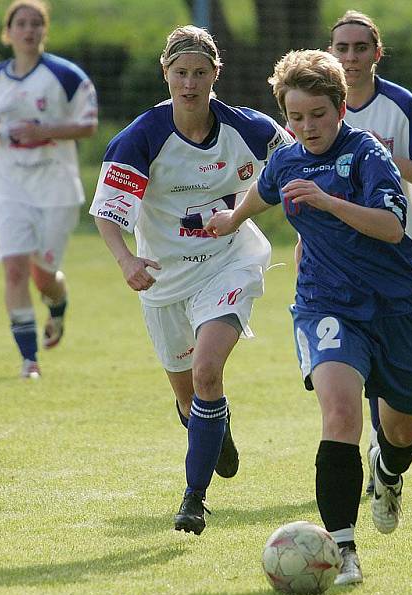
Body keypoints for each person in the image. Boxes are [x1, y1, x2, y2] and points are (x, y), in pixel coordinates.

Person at [206, 49, 412, 585]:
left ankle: (388, 471)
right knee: (340, 416)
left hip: (399, 306)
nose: (306, 127)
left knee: (401, 432)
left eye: (317, 115)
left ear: (339, 109)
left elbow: (391, 229)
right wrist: (231, 218)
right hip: (326, 305)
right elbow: (264, 191)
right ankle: (344, 550)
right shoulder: (287, 158)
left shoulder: (368, 157)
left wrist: (328, 202)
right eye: (295, 117)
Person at [89, 26, 292, 535]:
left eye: (200, 73)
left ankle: (192, 500)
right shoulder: (142, 138)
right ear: (166, 74)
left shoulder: (251, 129)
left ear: (215, 76)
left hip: (230, 261)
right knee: (189, 395)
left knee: (206, 372)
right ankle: (210, 424)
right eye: (180, 73)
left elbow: (297, 171)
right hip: (161, 280)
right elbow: (109, 215)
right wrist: (127, 262)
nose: (190, 83)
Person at [327, 10, 412, 493]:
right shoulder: (318, 106)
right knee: (344, 368)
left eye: (361, 48)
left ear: (377, 54)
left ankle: (387, 455)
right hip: (334, 261)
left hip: (395, 259)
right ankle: (358, 457)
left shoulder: (400, 107)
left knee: (394, 375)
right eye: (343, 48)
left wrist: (382, 155)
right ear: (331, 52)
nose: (352, 57)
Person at [0, 0, 98, 379]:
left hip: (55, 186)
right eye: (21, 24)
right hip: (8, 184)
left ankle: (58, 308)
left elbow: (88, 125)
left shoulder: (67, 76)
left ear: (44, 31)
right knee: (14, 270)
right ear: (7, 32)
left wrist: (43, 130)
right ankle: (29, 360)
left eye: (35, 24)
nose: (28, 30)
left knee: (43, 276)